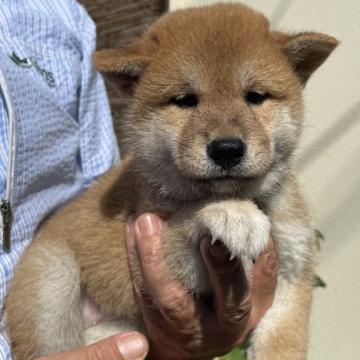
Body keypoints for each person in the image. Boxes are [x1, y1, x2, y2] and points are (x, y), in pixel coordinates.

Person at [0, 1, 278, 359]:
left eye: (255, 97)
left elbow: (99, 186)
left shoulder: (60, 19)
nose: (224, 134)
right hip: (52, 300)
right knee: (52, 268)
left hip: (121, 322)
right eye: (185, 100)